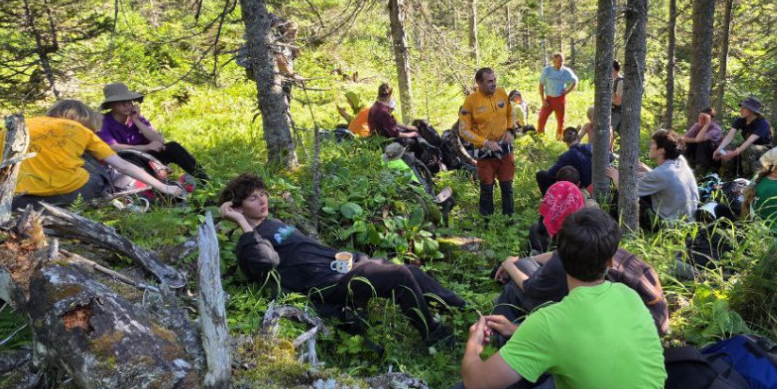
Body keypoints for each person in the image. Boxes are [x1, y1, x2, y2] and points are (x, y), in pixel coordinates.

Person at [445, 208, 665, 389]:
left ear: (559, 256)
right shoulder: (627, 295)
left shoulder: (551, 322)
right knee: (556, 372)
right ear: (610, 260)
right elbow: (580, 342)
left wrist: (473, 345)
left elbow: (475, 385)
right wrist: (516, 330)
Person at [217, 173, 463, 343]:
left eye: (262, 194)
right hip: (327, 284)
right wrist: (241, 223)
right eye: (253, 198)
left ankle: (460, 306)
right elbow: (266, 263)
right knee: (399, 275)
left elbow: (311, 249)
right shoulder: (248, 244)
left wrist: (357, 257)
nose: (262, 200)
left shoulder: (273, 222)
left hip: (340, 266)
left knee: (412, 271)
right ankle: (433, 333)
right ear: (237, 208)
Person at [493, 183, 669, 335]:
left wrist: (510, 264)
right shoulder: (602, 243)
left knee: (516, 279)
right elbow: (557, 256)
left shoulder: (581, 301)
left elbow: (532, 289)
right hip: (653, 316)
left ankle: (495, 329)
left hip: (628, 331)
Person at [0, 100, 188, 211]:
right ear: (81, 119)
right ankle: (113, 197)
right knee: (93, 163)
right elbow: (121, 165)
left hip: (19, 200)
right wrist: (165, 188)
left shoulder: (16, 126)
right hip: (72, 194)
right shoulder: (79, 130)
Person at [98, 82, 205, 180]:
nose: (126, 105)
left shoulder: (136, 117)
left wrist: (136, 120)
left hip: (148, 157)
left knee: (173, 147)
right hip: (127, 163)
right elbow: (112, 147)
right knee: (131, 157)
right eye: (120, 103)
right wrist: (146, 147)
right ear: (111, 105)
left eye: (128, 101)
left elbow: (159, 140)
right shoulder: (103, 122)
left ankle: (205, 181)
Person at [607, 129, 698, 230]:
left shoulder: (661, 173)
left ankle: (609, 226)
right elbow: (667, 178)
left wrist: (615, 174)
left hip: (669, 226)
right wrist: (649, 171)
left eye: (653, 143)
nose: (650, 147)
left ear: (661, 150)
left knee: (620, 194)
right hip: (687, 222)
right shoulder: (680, 161)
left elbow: (627, 191)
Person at [458, 67, 516, 217]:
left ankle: (509, 220)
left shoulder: (502, 94)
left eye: (495, 80)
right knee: (486, 189)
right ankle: (487, 223)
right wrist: (484, 142)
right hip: (484, 154)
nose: (494, 84)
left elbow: (511, 114)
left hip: (505, 151)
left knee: (507, 187)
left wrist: (510, 130)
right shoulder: (470, 101)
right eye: (490, 81)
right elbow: (463, 130)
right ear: (479, 83)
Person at [715, 97, 772, 178]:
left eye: (744, 108)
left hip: (765, 148)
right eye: (741, 107)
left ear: (752, 111)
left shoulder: (762, 124)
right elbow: (729, 136)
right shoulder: (740, 120)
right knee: (729, 145)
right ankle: (727, 173)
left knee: (748, 148)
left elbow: (750, 141)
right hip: (749, 146)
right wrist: (719, 149)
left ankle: (746, 176)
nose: (740, 110)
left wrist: (734, 153)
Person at [536, 127, 592, 194]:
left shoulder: (567, 155)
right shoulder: (590, 146)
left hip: (582, 189)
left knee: (540, 174)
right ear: (577, 137)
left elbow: (550, 174)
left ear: (564, 140)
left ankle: (551, 199)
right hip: (594, 184)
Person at [536, 52, 578, 140]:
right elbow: (541, 85)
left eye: (561, 61)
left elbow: (575, 81)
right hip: (548, 99)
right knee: (541, 118)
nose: (560, 63)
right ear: (553, 61)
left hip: (560, 99)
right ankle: (540, 138)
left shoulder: (566, 71)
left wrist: (567, 91)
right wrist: (543, 100)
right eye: (558, 61)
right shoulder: (547, 70)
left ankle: (559, 138)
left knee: (560, 120)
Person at [683, 107, 723, 175]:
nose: (701, 120)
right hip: (699, 154)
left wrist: (707, 124)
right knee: (688, 143)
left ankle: (701, 169)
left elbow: (699, 139)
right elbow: (684, 138)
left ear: (711, 119)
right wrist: (695, 140)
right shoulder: (698, 126)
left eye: (704, 118)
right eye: (700, 118)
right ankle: (685, 166)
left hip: (714, 157)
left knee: (704, 142)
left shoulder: (716, 129)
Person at [610, 59, 624, 133]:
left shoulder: (620, 82)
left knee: (609, 132)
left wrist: (607, 100)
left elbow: (618, 102)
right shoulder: (613, 81)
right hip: (612, 111)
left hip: (617, 112)